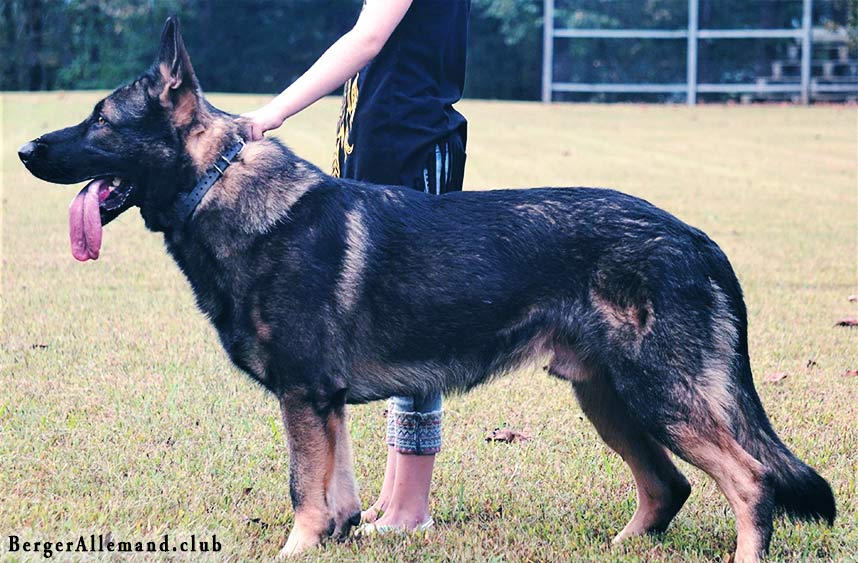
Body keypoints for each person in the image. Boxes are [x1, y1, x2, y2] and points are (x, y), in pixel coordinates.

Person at [239, 0, 469, 533]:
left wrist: (274, 112)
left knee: (416, 327)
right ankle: (393, 498)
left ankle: (412, 506)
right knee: (390, 326)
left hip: (412, 149)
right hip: (381, 150)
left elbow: (366, 40)